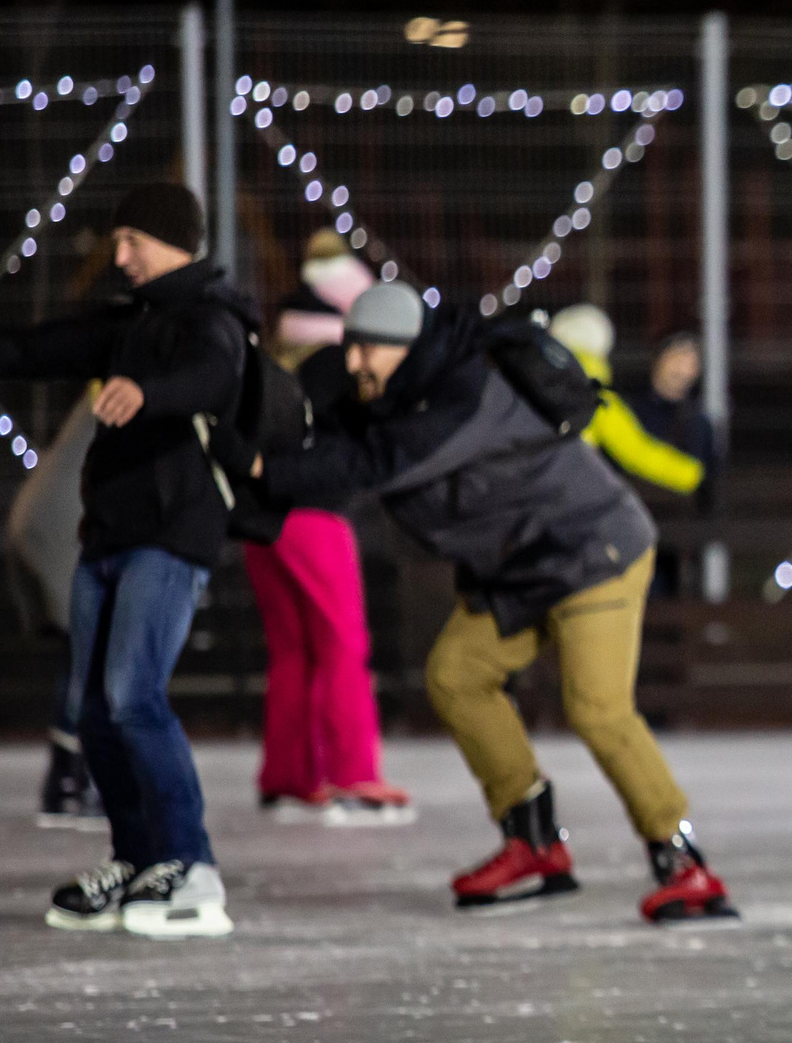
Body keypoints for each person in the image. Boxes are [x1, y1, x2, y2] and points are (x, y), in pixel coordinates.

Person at [258, 282, 736, 923]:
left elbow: (367, 464)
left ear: (404, 348)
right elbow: (335, 431)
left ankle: (683, 862)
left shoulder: (463, 395)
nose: (354, 364)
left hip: (593, 551)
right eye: (351, 349)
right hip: (521, 566)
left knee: (597, 708)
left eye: (368, 350)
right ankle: (532, 843)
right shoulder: (398, 394)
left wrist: (259, 470)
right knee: (457, 675)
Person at [0, 183, 252, 938]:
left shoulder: (215, 316)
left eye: (132, 240)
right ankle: (140, 860)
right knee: (97, 713)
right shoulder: (130, 321)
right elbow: (41, 349)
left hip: (171, 535)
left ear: (172, 239)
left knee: (135, 696)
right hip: (107, 533)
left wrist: (148, 390)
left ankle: (192, 866)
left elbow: (212, 377)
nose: (121, 254)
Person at [244, 231, 411, 825]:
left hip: (260, 519)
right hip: (313, 515)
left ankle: (289, 777)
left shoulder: (276, 355)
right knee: (342, 647)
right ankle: (353, 775)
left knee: (293, 651)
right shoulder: (341, 362)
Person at [9, 387, 105, 830]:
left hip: (44, 516)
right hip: (63, 523)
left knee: (84, 653)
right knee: (89, 653)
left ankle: (66, 780)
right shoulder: (125, 386)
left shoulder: (104, 389)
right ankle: (72, 782)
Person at [544, 304, 707, 497]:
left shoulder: (537, 379)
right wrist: (692, 475)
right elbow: (634, 451)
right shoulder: (594, 390)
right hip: (571, 485)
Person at [625, 330, 721, 599]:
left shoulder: (699, 422)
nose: (682, 366)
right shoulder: (631, 412)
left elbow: (709, 476)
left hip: (681, 535)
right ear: (658, 360)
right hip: (636, 528)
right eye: (676, 356)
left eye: (690, 359)